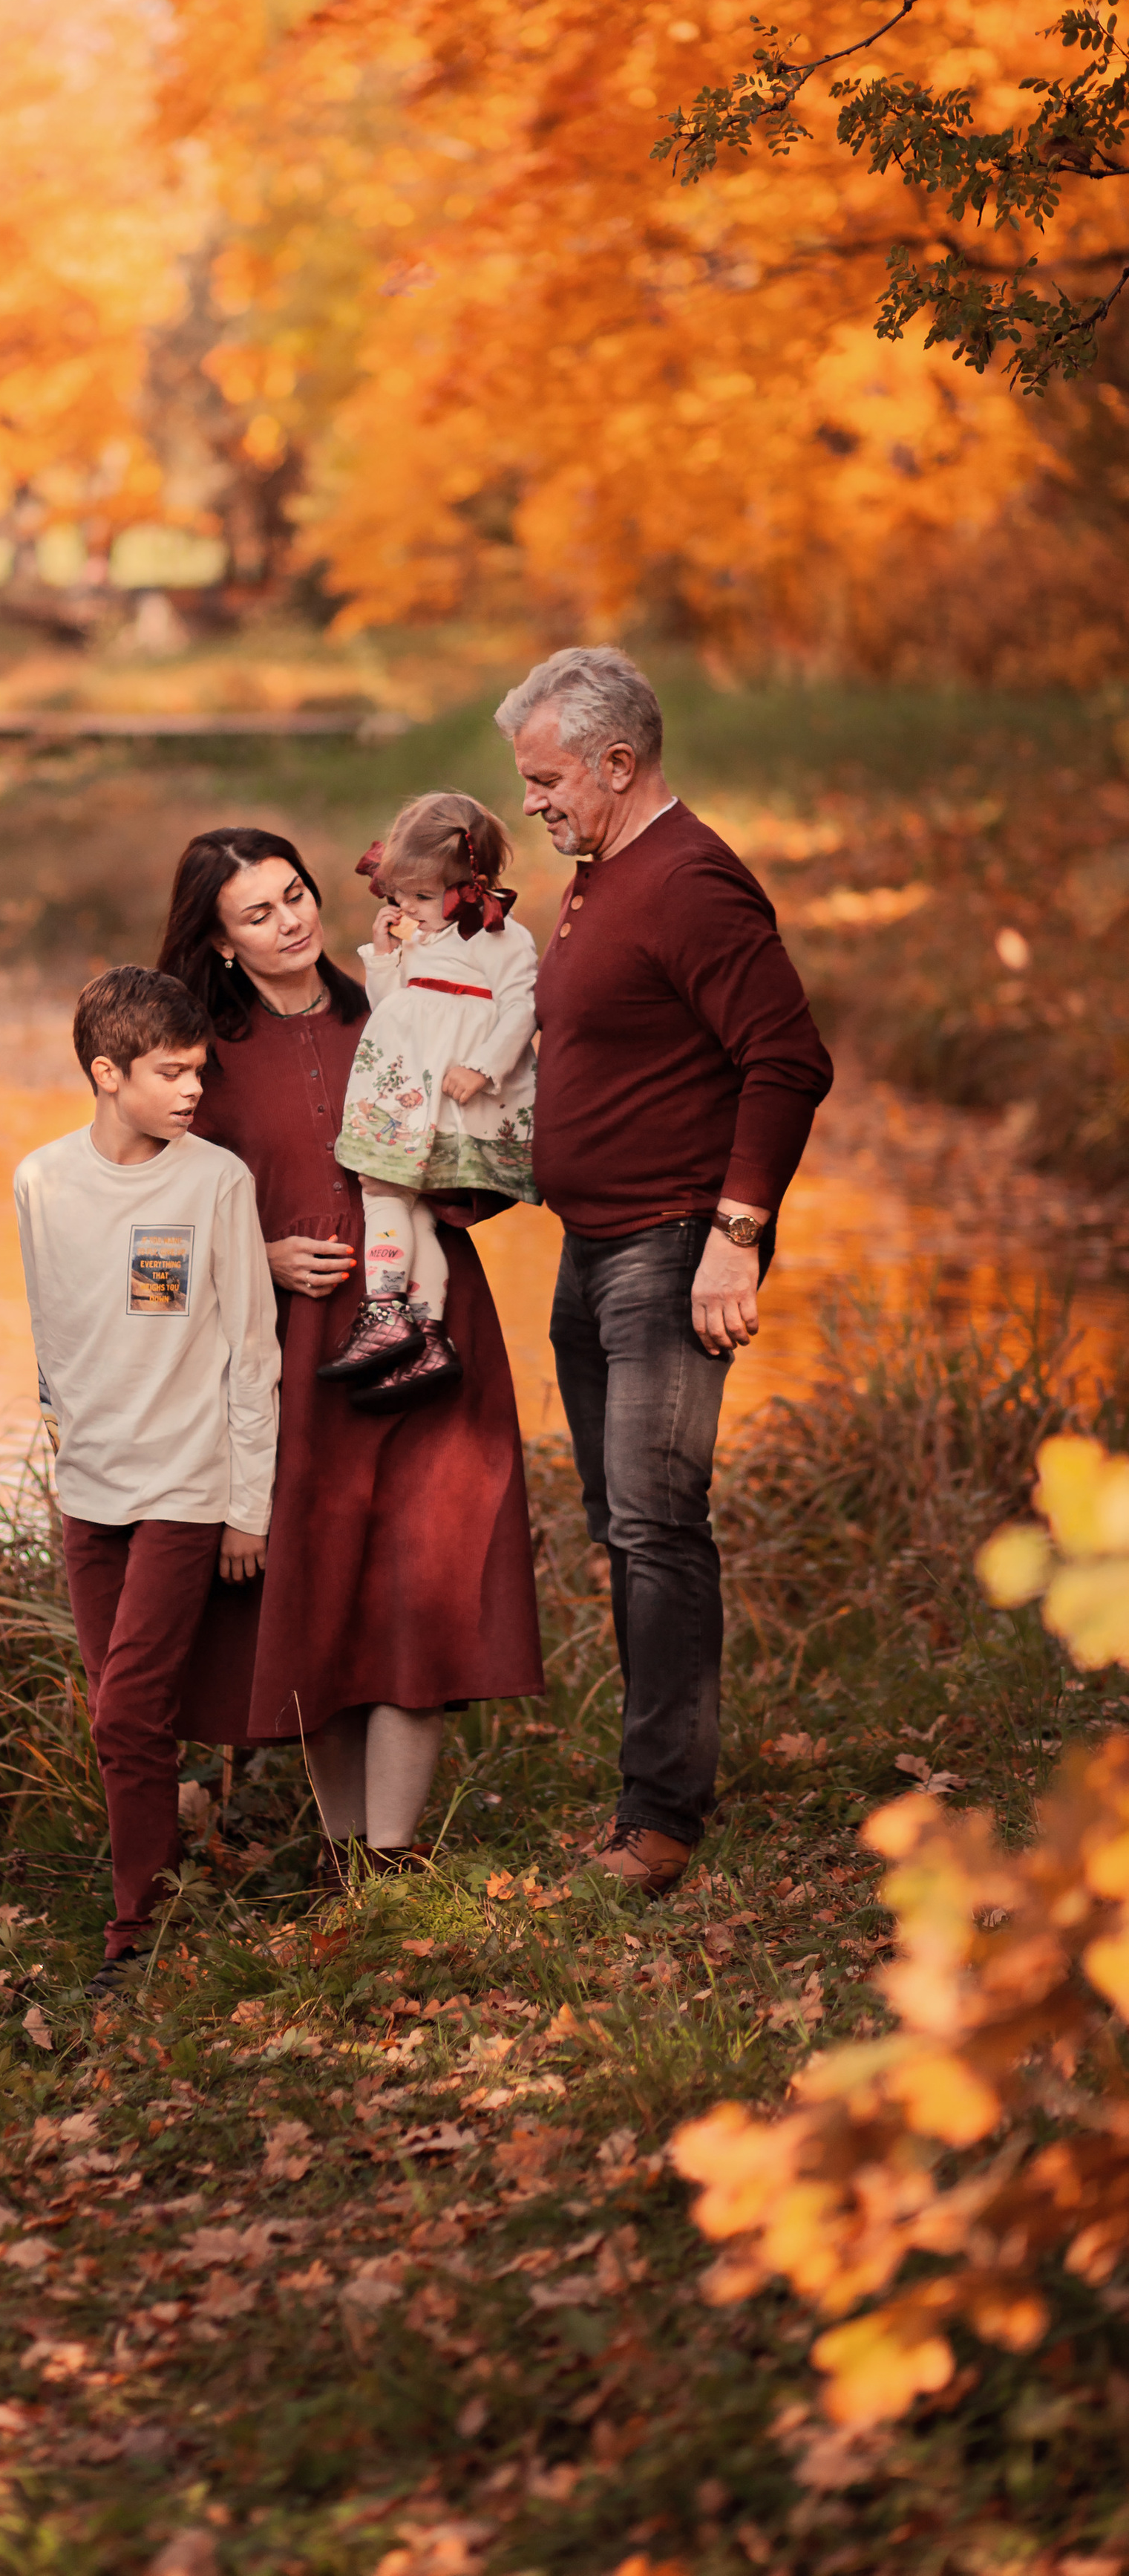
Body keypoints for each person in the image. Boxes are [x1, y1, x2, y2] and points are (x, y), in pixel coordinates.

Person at [495, 646, 834, 1897]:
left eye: (544, 779)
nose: (530, 800)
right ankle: (662, 1784)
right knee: (621, 1524)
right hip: (596, 1245)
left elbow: (787, 1060)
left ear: (617, 763)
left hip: (675, 1245)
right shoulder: (601, 878)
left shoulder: (691, 881)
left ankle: (660, 1824)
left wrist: (737, 1234)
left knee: (657, 1526)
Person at [156, 830, 542, 1869]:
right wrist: (255, 1256)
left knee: (424, 1570)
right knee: (320, 1586)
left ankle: (394, 1854)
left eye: (296, 895)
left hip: (431, 1329)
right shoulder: (201, 1061)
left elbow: (485, 1161)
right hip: (291, 1353)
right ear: (222, 942)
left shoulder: (397, 1001)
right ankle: (341, 1854)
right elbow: (146, 1230)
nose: (291, 922)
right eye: (259, 914)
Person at [13, 964, 281, 1993]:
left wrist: (244, 1507)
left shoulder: (214, 1182)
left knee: (129, 1715)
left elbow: (251, 1356)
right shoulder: (41, 1180)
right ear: (105, 1072)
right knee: (119, 1712)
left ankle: (139, 1932)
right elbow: (52, 1328)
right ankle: (165, 1888)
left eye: (199, 1071)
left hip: (185, 1486)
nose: (192, 1091)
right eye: (170, 1073)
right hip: (90, 1490)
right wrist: (62, 1431)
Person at [323, 789, 538, 1412]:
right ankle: (426, 1332)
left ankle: (384, 1308)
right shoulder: (419, 938)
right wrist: (387, 955)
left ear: (472, 885)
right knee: (405, 1207)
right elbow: (390, 1009)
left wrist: (483, 1067)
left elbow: (522, 1009)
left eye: (420, 895)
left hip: (450, 1098)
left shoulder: (503, 940)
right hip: (407, 1092)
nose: (406, 908)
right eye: (400, 895)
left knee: (384, 1192)